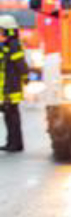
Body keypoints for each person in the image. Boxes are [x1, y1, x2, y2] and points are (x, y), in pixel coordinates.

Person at [0, 15, 28, 153]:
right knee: (9, 116)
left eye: (1, 30)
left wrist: (25, 76)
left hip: (11, 88)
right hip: (7, 87)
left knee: (12, 117)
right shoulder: (6, 45)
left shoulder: (13, 45)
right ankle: (12, 142)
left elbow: (20, 64)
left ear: (8, 30)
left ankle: (15, 144)